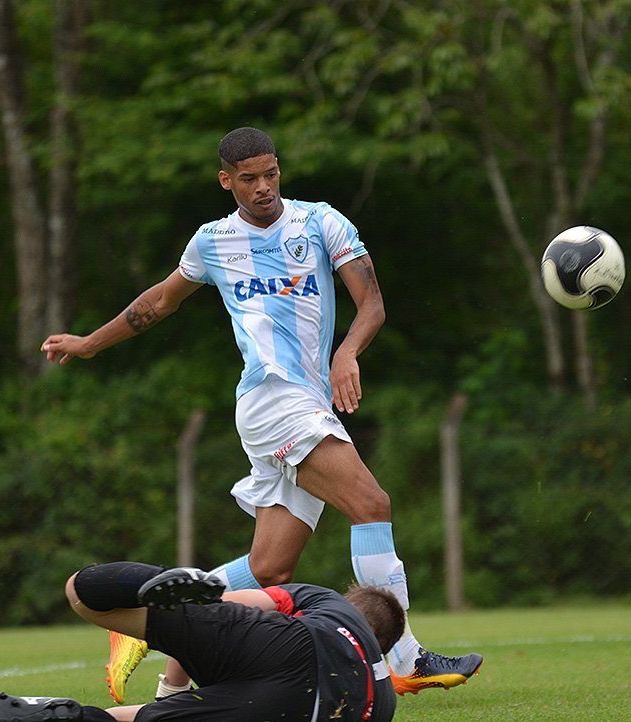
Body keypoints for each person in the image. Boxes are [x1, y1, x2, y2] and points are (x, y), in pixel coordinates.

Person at [40, 127, 482, 699]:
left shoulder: (320, 222)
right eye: (248, 178)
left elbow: (371, 302)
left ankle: (157, 639)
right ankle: (404, 655)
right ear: (227, 180)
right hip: (272, 399)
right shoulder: (212, 241)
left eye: (270, 174)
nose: (263, 187)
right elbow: (158, 301)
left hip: (305, 403)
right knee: (371, 504)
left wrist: (347, 351)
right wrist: (89, 344)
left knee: (269, 569)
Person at [0, 563, 405, 722]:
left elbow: (250, 603)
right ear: (379, 649)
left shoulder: (332, 606)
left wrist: (173, 686)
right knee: (146, 720)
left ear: (354, 604)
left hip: (294, 644)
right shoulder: (385, 698)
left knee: (83, 592)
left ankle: (150, 581)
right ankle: (69, 716)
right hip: (332, 708)